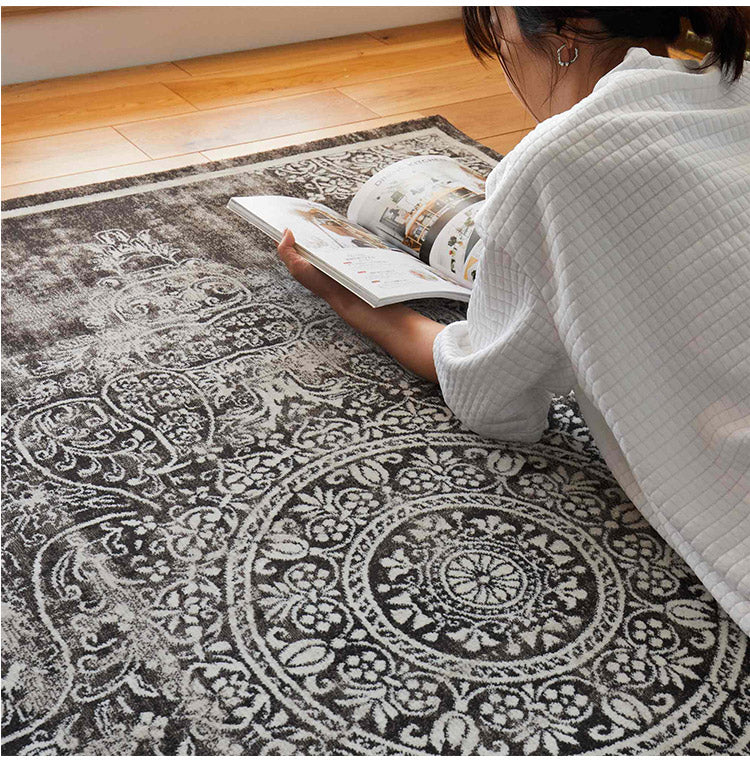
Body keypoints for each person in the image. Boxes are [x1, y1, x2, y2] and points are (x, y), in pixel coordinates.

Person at [276, 8, 750, 634]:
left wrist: (347, 297)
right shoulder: (736, 88)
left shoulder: (558, 162)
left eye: (496, 33)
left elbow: (491, 396)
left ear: (564, 30)